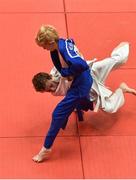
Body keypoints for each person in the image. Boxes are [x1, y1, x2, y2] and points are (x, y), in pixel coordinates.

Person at [32, 25, 94, 163]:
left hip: (81, 85)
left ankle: (46, 149)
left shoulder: (62, 49)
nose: (44, 49)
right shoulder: (61, 44)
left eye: (44, 46)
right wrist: (67, 73)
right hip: (79, 82)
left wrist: (67, 73)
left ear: (50, 43)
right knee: (82, 102)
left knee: (57, 114)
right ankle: (80, 110)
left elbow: (82, 64)